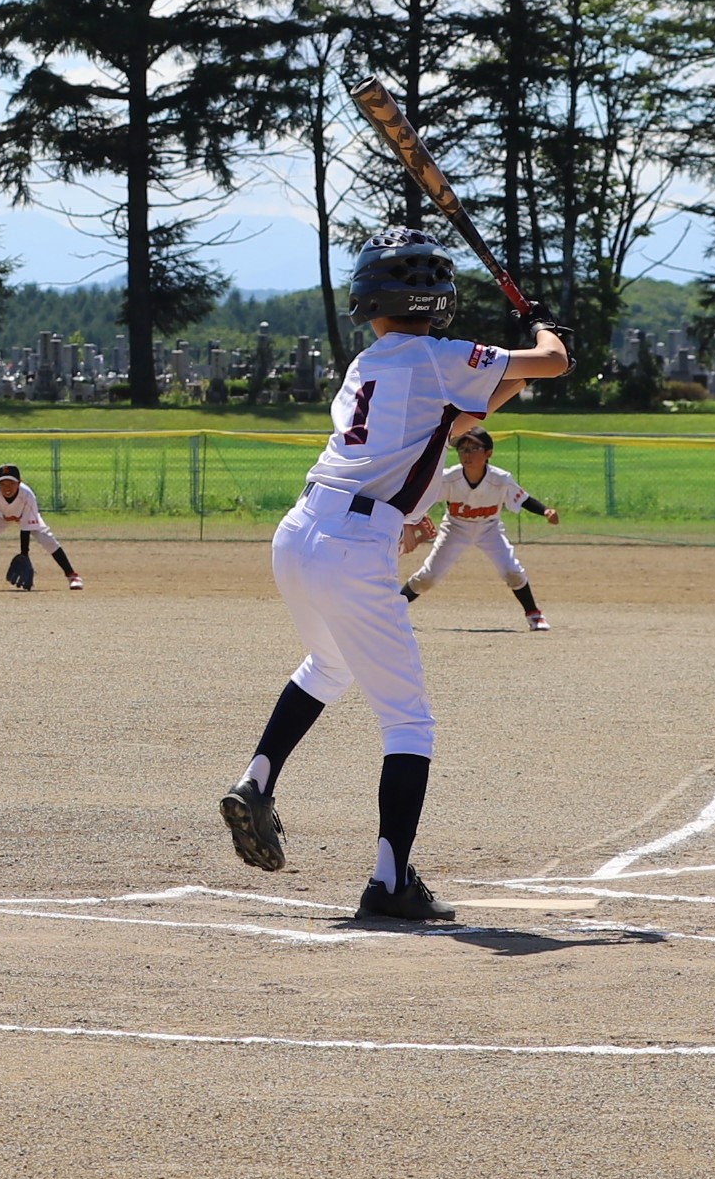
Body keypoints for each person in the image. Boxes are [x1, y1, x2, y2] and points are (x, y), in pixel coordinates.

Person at [218, 230, 570, 922]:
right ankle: (389, 881)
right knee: (409, 721)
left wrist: (518, 373)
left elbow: (455, 417)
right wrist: (544, 331)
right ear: (436, 300)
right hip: (354, 542)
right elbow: (553, 362)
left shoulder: (368, 363)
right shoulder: (438, 355)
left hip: (300, 531)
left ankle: (257, 781)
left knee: (329, 664)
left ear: (369, 299)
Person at [397, 419, 558, 629]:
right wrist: (412, 519)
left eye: (474, 448)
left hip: (489, 528)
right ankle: (392, 609)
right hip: (455, 528)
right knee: (428, 577)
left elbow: (523, 498)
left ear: (488, 453)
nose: (467, 453)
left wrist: (545, 510)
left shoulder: (501, 479)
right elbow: (421, 495)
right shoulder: (450, 478)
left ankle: (534, 614)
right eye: (463, 449)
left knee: (512, 571)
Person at [0, 462, 80, 592]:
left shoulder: (27, 495)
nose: (7, 488)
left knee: (47, 539)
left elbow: (25, 529)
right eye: (2, 484)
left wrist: (24, 557)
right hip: (1, 517)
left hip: (25, 516)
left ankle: (72, 576)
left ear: (19, 482)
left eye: (11, 483)